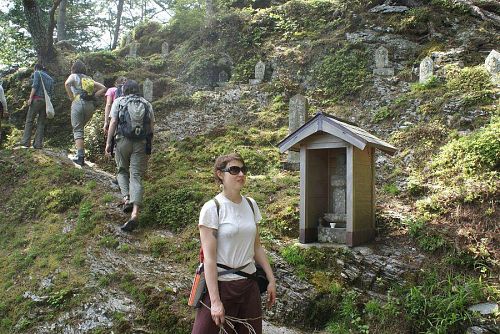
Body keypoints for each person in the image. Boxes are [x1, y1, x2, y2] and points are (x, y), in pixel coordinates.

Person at [192, 153, 277, 334]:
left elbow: (257, 247)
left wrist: (271, 279)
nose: (241, 174)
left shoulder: (251, 204)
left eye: (243, 169)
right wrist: (215, 301)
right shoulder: (212, 208)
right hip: (223, 286)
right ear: (220, 174)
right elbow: (209, 259)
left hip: (249, 285)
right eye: (234, 170)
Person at [105, 80, 154, 232]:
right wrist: (149, 143)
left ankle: (126, 198)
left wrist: (108, 143)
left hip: (122, 141)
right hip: (140, 142)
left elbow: (113, 122)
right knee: (136, 176)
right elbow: (152, 125)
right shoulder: (146, 103)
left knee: (121, 171)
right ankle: (134, 214)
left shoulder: (119, 101)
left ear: (124, 90)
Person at [64, 60, 106, 166]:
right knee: (81, 128)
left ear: (74, 68)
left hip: (78, 103)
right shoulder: (88, 78)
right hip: (89, 105)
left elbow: (67, 84)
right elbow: (103, 88)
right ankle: (79, 153)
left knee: (77, 129)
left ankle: (80, 157)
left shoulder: (73, 76)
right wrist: (94, 96)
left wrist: (71, 97)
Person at [20, 64, 54, 149]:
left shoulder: (37, 73)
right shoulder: (51, 79)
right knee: (41, 123)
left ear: (36, 68)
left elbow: (34, 86)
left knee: (29, 120)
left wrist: (30, 98)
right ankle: (38, 144)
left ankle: (25, 142)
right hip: (45, 102)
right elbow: (51, 93)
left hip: (37, 99)